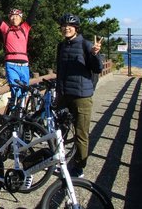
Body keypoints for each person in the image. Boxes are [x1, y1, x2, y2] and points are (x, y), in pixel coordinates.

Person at [56, 13, 103, 178]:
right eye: (64, 26)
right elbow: (59, 70)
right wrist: (58, 92)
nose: (66, 28)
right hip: (63, 95)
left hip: (81, 97)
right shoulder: (61, 46)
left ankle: (79, 166)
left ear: (76, 28)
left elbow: (97, 69)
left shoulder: (86, 44)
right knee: (59, 132)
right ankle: (60, 162)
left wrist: (96, 54)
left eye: (70, 26)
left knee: (81, 133)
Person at [0, 0, 42, 108]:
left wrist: (37, 0)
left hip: (24, 65)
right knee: (16, 89)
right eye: (12, 16)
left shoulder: (25, 28)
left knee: (24, 91)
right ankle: (15, 114)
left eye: (17, 16)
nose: (14, 18)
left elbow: (32, 14)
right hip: (11, 64)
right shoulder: (6, 29)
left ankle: (21, 116)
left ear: (21, 18)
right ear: (9, 19)